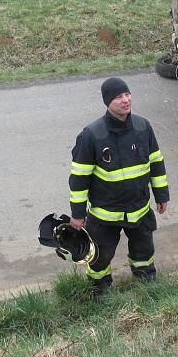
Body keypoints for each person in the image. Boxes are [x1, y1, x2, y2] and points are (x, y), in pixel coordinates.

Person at [68, 77, 170, 300]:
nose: (125, 100)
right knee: (100, 257)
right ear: (107, 102)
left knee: (144, 251)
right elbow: (79, 179)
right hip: (106, 215)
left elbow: (156, 162)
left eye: (127, 94)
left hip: (140, 210)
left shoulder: (143, 127)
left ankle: (145, 279)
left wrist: (161, 195)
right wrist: (77, 214)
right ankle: (100, 289)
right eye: (118, 97)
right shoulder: (91, 135)